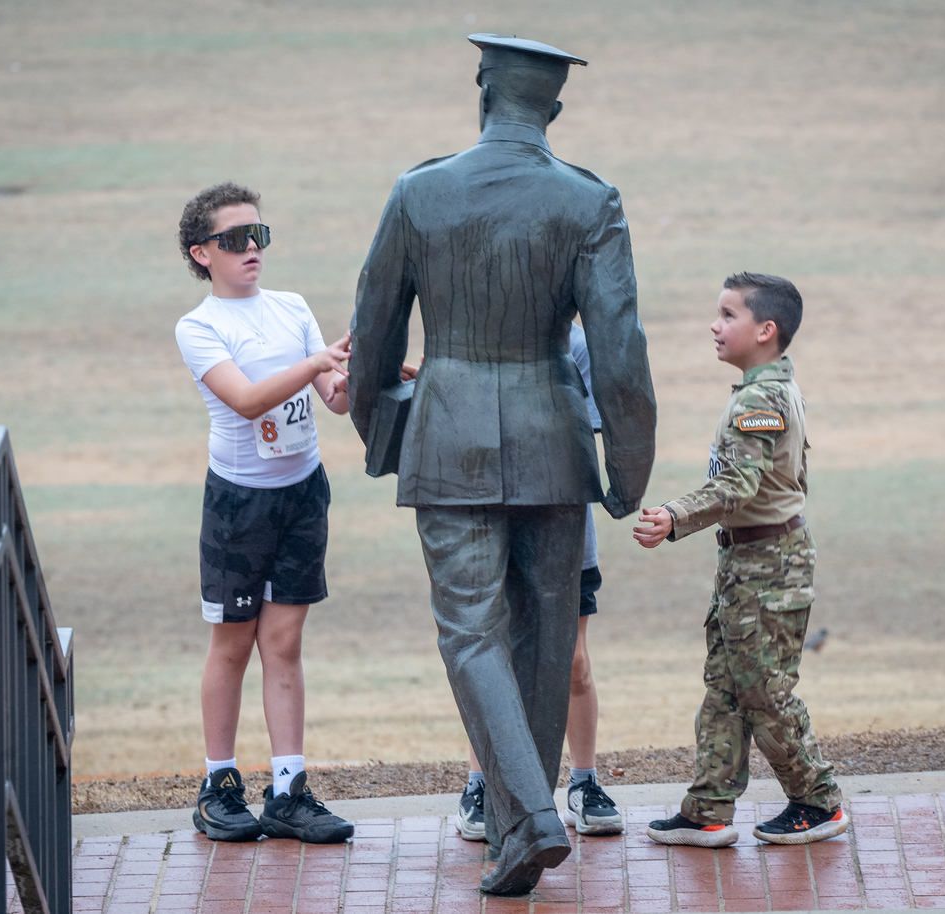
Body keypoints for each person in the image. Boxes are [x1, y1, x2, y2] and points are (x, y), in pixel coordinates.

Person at [348, 35, 655, 895]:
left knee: (472, 631)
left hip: (447, 437)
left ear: (482, 93)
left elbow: (373, 330)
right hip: (553, 436)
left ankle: (529, 819)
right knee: (546, 634)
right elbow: (621, 348)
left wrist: (384, 429)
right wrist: (628, 465)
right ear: (553, 108)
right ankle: (522, 824)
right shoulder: (589, 200)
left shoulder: (418, 192)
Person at [633, 272, 847, 847]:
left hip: (768, 564)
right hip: (750, 560)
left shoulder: (760, 398)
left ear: (766, 330)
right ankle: (708, 810)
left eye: (729, 315)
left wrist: (675, 515)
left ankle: (818, 801)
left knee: (763, 689)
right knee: (726, 686)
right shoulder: (765, 390)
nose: (715, 325)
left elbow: (739, 486)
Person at [174, 181, 354, 844]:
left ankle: (288, 792)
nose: (251, 247)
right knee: (233, 644)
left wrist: (360, 371)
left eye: (259, 234)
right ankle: (219, 785)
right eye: (234, 238)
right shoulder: (199, 327)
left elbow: (334, 398)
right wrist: (315, 362)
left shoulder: (291, 306)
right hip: (238, 503)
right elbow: (247, 400)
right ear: (202, 253)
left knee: (284, 643)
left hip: (304, 493)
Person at [457, 323, 623, 841]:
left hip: (564, 528)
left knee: (572, 662)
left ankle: (583, 782)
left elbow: (576, 433)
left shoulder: (577, 345)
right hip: (491, 526)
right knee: (491, 660)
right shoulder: (473, 337)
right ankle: (481, 785)